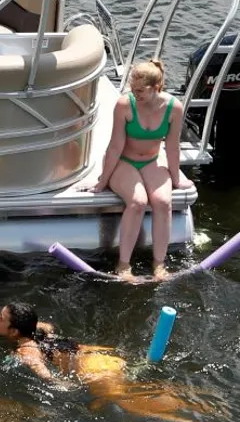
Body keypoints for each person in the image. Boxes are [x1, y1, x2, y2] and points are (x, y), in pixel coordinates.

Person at [0, 302, 221, 422]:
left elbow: (44, 373)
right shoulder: (43, 330)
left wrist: (63, 385)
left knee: (129, 404)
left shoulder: (27, 350)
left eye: (0, 319)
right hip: (104, 355)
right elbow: (44, 325)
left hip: (95, 370)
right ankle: (199, 401)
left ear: (13, 332)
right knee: (134, 390)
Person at [81, 58, 194, 282]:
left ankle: (159, 263)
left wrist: (176, 177)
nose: (135, 94)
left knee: (163, 201)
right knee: (138, 201)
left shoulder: (174, 108)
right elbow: (115, 146)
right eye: (133, 89)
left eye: (141, 90)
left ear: (157, 88)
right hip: (124, 161)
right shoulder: (125, 105)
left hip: (152, 160)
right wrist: (102, 181)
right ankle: (123, 263)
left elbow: (172, 146)